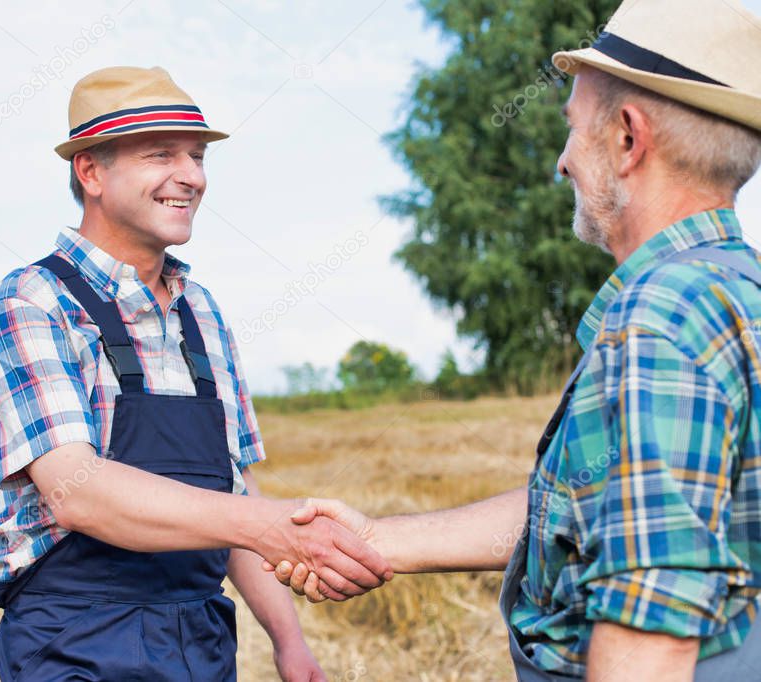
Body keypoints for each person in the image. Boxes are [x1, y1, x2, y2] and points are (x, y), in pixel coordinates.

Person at [268, 1, 761, 679]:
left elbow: (652, 629)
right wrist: (378, 539)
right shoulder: (735, 291)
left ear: (626, 138)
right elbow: (591, 506)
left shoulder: (660, 320)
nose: (562, 164)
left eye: (572, 132)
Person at [0, 65, 392, 681]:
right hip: (76, 640)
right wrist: (271, 528)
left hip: (199, 639)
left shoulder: (202, 313)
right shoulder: (31, 305)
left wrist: (288, 640)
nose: (191, 176)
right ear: (90, 172)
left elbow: (231, 492)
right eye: (161, 154)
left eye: (196, 156)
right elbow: (78, 491)